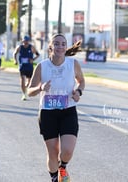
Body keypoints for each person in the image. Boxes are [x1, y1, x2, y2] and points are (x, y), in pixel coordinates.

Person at [27, 34, 85, 182]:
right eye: (57, 44)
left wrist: (78, 92)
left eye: (63, 44)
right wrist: (41, 88)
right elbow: (29, 91)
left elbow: (81, 81)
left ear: (66, 47)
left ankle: (62, 167)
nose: (60, 47)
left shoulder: (73, 64)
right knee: (53, 152)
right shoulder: (42, 66)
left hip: (68, 111)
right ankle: (55, 178)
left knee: (67, 151)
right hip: (48, 113)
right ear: (50, 46)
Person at [13, 35, 40, 100]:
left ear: (28, 41)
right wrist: (15, 60)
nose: (26, 42)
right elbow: (15, 53)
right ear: (23, 41)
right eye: (25, 41)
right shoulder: (19, 47)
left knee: (29, 82)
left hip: (29, 67)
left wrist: (33, 60)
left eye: (27, 41)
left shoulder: (32, 47)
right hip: (22, 66)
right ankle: (24, 94)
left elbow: (38, 54)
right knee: (22, 79)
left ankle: (25, 87)